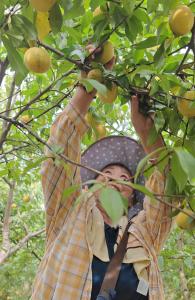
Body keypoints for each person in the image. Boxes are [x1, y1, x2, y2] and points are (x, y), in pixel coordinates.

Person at [31, 48, 172, 300]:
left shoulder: (143, 234)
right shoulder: (71, 211)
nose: (114, 179)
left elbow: (168, 189)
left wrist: (149, 135)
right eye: (106, 172)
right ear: (90, 184)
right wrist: (87, 88)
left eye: (125, 178)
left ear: (132, 197)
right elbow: (57, 157)